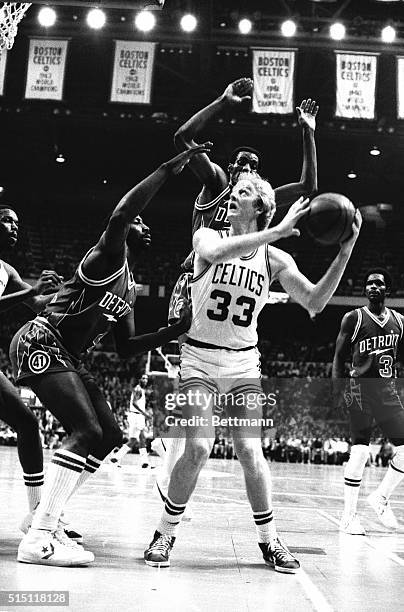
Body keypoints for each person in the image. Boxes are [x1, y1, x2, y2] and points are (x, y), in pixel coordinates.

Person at [144, 175, 361, 573]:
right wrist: (275, 232)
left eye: (241, 193)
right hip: (199, 360)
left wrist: (345, 250)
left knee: (250, 452)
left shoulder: (276, 260)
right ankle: (165, 532)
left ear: (259, 207)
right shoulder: (206, 237)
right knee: (198, 448)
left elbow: (315, 301)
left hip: (243, 364)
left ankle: (269, 540)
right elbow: (217, 248)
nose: (231, 197)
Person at [9, 144, 210, 567]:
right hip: (41, 340)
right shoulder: (106, 258)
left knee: (109, 434)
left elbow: (127, 346)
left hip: (68, 354)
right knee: (83, 429)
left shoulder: (130, 287)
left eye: (144, 223)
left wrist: (174, 330)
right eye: (139, 222)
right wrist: (167, 168)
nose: (143, 225)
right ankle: (39, 536)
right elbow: (120, 214)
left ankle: (47, 514)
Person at [159, 78, 319, 492]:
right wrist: (223, 101)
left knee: (211, 417)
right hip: (197, 278)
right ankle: (176, 464)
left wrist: (308, 132)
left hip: (234, 288)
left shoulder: (257, 201)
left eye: (253, 167)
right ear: (228, 169)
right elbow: (182, 136)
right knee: (192, 375)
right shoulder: (216, 186)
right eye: (241, 165)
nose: (246, 170)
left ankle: (179, 464)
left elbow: (307, 188)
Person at [0, 206, 66, 532]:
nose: (14, 227)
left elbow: (35, 305)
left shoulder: (8, 271)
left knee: (27, 423)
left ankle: (37, 514)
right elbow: (28, 295)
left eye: (16, 221)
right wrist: (32, 290)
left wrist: (64, 292)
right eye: (6, 220)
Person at [333, 268, 404, 535]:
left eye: (378, 284)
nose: (372, 287)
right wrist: (337, 390)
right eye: (369, 284)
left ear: (388, 290)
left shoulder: (400, 321)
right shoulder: (353, 318)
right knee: (361, 451)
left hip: (387, 393)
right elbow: (339, 358)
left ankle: (381, 498)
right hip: (359, 390)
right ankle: (348, 517)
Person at [110, 374, 151, 468]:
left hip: (135, 416)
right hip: (137, 416)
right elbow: (134, 403)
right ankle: (117, 456)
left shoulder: (140, 389)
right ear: (139, 379)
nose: (145, 380)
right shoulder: (138, 389)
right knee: (136, 439)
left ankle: (144, 462)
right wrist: (145, 414)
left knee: (140, 439)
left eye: (146, 379)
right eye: (143, 378)